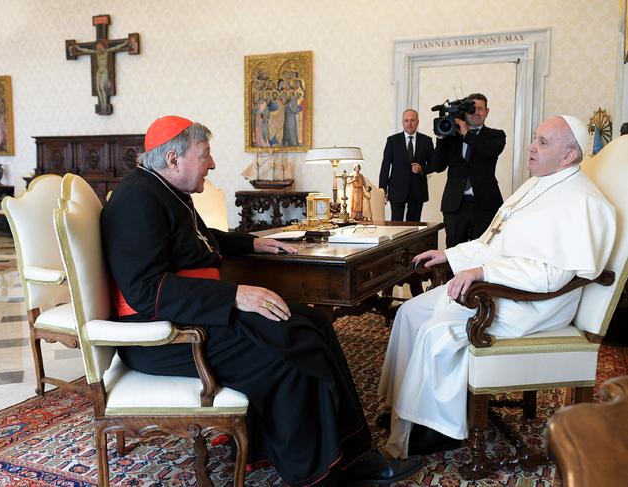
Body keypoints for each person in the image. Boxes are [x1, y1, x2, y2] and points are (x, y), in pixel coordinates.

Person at [101, 115, 421, 486]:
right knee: (292, 351)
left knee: (314, 323)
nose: (213, 164)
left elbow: (200, 242)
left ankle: (354, 452)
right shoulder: (136, 200)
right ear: (173, 160)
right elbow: (145, 290)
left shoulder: (164, 191)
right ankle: (320, 472)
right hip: (161, 337)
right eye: (205, 154)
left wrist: (251, 241)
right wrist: (235, 295)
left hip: (189, 315)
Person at [377, 115, 616, 459]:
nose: (531, 146)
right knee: (410, 312)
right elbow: (494, 242)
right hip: (505, 284)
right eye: (535, 138)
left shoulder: (582, 201)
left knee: (437, 332)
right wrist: (449, 254)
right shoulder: (536, 184)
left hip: (534, 304)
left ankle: (434, 428)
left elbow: (552, 276)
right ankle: (405, 408)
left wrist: (482, 272)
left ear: (569, 156)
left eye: (543, 142)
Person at [428, 93, 506, 247]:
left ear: (487, 111)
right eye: (472, 109)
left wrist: (467, 133)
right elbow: (437, 166)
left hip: (485, 204)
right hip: (455, 204)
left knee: (483, 250)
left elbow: (490, 151)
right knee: (454, 250)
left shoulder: (496, 135)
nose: (476, 112)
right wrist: (442, 138)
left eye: (480, 109)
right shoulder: (452, 136)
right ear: (464, 112)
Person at [379, 109, 434, 221]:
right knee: (396, 225)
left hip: (418, 190)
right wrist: (382, 190)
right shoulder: (392, 141)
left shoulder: (426, 141)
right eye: (406, 120)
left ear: (417, 122)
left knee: (414, 226)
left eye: (412, 120)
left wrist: (422, 168)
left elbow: (434, 165)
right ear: (402, 122)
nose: (409, 123)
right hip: (396, 189)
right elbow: (385, 166)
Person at [71, 38, 130, 114]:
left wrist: (125, 43)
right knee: (98, 89)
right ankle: (102, 105)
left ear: (103, 47)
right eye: (98, 47)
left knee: (102, 88)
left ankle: (105, 105)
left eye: (100, 47)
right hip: (99, 71)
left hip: (105, 71)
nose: (99, 48)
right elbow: (87, 50)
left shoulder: (107, 51)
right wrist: (78, 48)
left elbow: (117, 47)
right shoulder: (96, 52)